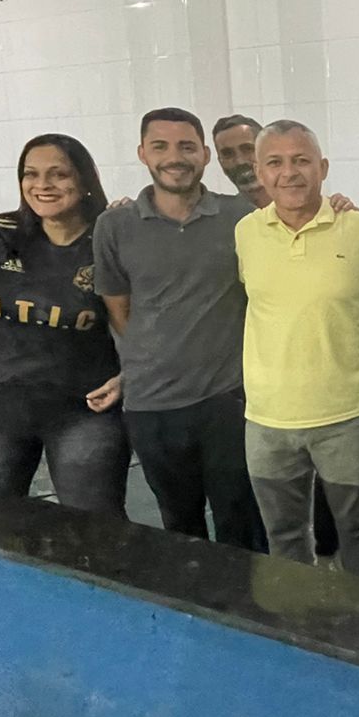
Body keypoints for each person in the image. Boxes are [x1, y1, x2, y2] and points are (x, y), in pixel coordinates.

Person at [93, 109, 264, 549]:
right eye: (161, 146)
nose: (175, 157)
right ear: (142, 153)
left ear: (204, 155)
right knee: (179, 525)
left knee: (242, 523)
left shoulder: (240, 216)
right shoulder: (115, 225)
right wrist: (152, 358)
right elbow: (120, 310)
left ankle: (244, 596)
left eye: (187, 147)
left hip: (228, 401)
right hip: (152, 406)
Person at [0, 135, 128, 519]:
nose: (43, 185)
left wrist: (128, 376)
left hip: (84, 407)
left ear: (85, 180)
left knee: (94, 529)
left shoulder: (110, 236)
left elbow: (135, 318)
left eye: (59, 174)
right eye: (31, 174)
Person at [235, 120, 359, 581]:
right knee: (283, 534)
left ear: (322, 167)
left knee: (356, 528)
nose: (289, 172)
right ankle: (296, 614)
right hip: (268, 422)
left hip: (345, 417)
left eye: (301, 160)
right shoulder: (244, 233)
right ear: (259, 173)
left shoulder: (358, 230)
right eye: (275, 162)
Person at [213, 113, 266, 207]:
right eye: (228, 154)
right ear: (221, 163)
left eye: (248, 149)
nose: (240, 161)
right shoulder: (227, 214)